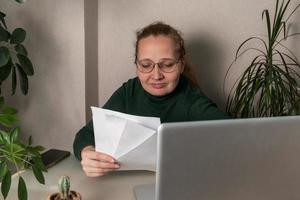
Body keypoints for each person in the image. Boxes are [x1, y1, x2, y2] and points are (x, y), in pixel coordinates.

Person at [73, 22, 229, 177]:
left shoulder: (192, 100)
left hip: (180, 183)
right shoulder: (129, 91)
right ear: (136, 65)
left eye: (167, 65)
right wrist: (87, 152)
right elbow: (85, 134)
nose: (156, 76)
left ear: (181, 65)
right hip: (130, 183)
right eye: (146, 65)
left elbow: (232, 136)